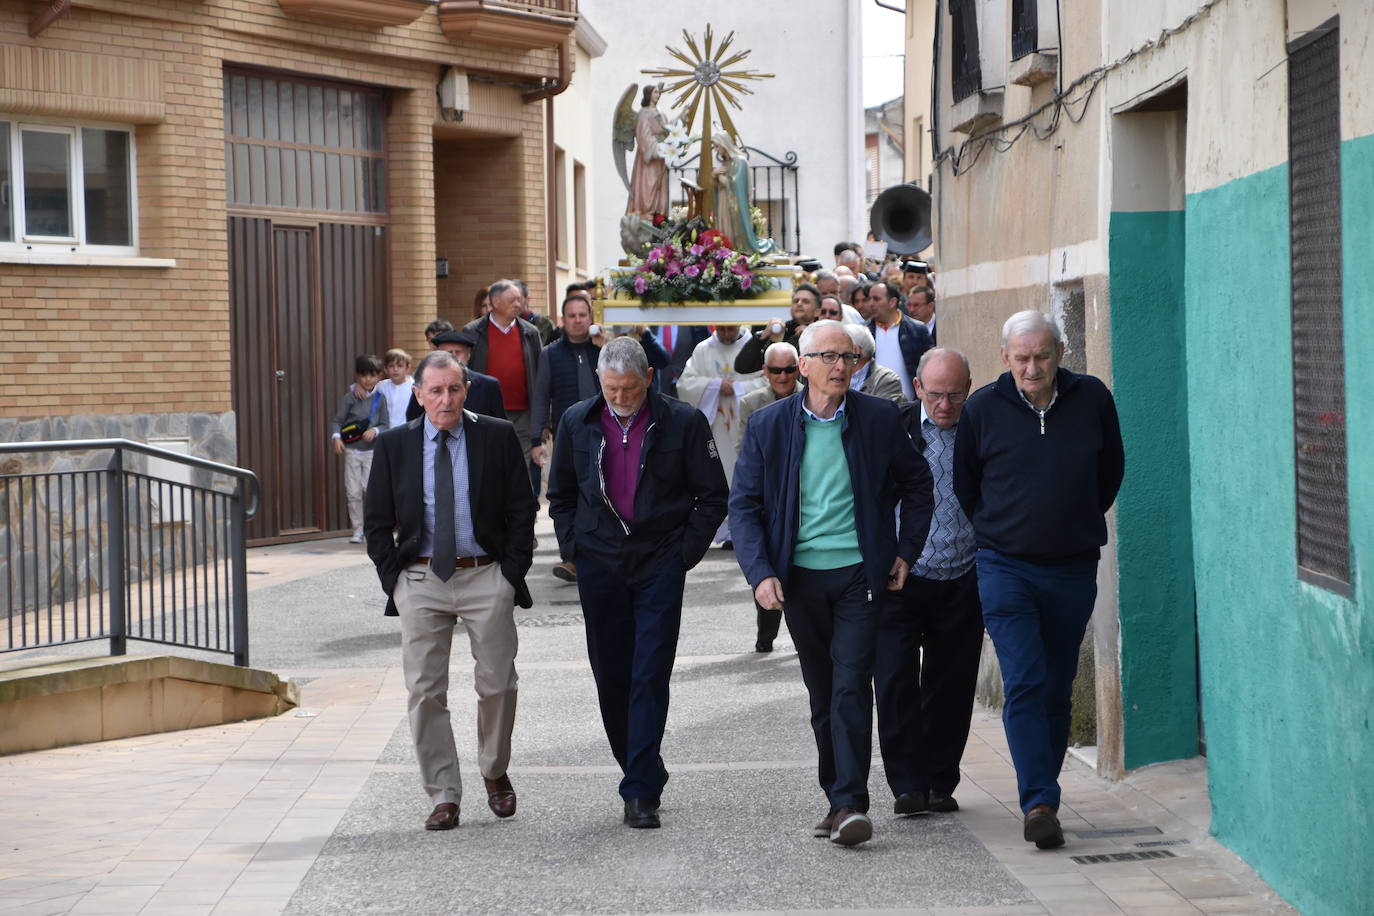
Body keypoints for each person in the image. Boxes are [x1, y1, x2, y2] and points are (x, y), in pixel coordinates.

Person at [729, 320, 933, 847]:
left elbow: (918, 485)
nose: (841, 366)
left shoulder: (879, 418)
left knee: (849, 687)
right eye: (829, 357)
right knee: (821, 692)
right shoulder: (769, 426)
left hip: (858, 578)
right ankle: (836, 797)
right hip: (799, 580)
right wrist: (760, 573)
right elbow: (745, 506)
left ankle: (849, 804)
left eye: (848, 357)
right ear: (803, 367)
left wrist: (906, 551)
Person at [954, 310, 1125, 851]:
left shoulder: (1092, 398)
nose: (1032, 367)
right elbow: (967, 486)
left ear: (1060, 353)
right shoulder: (983, 408)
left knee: (1054, 682)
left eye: (1042, 356)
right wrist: (1006, 531)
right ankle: (1039, 802)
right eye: (1022, 358)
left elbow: (1110, 473)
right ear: (1006, 358)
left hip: (1073, 566)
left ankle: (1043, 791)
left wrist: (1072, 522)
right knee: (1025, 680)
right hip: (1005, 566)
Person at [547, 336, 728, 829]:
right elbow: (560, 494)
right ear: (599, 384)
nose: (621, 399)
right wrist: (574, 550)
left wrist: (683, 556)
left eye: (630, 388)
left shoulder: (684, 422)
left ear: (649, 379)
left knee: (649, 671)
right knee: (611, 674)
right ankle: (641, 764)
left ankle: (640, 791)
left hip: (659, 562)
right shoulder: (576, 421)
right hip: (599, 562)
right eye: (611, 390)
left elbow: (713, 497)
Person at [363, 350, 536, 832]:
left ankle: (494, 770)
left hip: (485, 575)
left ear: (467, 390)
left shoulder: (496, 436)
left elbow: (522, 510)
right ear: (418, 394)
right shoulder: (395, 445)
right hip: (420, 579)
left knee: (499, 682)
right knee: (424, 691)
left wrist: (510, 575)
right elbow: (376, 522)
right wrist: (394, 582)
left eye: (454, 389)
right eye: (435, 390)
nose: (446, 399)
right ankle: (443, 793)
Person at [875, 347, 982, 818]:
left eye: (955, 395)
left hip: (963, 574)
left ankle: (940, 781)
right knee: (895, 680)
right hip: (902, 575)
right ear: (917, 388)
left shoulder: (980, 429)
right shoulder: (892, 428)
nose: (945, 405)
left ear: (968, 390)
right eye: (936, 394)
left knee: (952, 684)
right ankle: (907, 785)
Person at [530, 295, 600, 583]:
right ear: (563, 319)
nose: (578, 320)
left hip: (605, 434)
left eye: (583, 314)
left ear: (591, 318)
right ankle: (570, 556)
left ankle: (599, 552)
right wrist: (536, 438)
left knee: (599, 493)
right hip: (567, 438)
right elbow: (540, 395)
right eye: (572, 315)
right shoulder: (550, 354)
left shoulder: (603, 350)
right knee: (568, 495)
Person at [736, 341, 800, 654]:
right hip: (767, 495)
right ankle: (767, 632)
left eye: (789, 369)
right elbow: (742, 451)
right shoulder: (751, 403)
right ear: (765, 372)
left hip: (803, 496)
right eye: (776, 370)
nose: (783, 376)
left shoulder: (812, 398)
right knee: (767, 567)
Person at [676, 325, 765, 547]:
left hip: (743, 422)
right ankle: (724, 531)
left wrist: (737, 388)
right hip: (715, 425)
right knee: (720, 471)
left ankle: (747, 528)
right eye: (722, 329)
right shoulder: (703, 350)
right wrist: (715, 385)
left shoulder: (753, 347)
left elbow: (767, 381)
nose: (726, 333)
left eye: (730, 329)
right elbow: (685, 384)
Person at [461, 280, 543, 475]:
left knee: (520, 466)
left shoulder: (530, 332)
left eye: (519, 300)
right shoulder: (472, 332)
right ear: (496, 301)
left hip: (523, 412)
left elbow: (541, 376)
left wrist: (542, 419)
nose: (518, 304)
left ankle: (521, 505)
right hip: (485, 411)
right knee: (488, 463)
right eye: (512, 300)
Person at [332, 354, 388, 544]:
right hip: (352, 451)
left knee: (370, 490)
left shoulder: (381, 398)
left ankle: (373, 528)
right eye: (364, 375)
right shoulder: (350, 397)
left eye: (372, 375)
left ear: (379, 376)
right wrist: (336, 437)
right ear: (357, 376)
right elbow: (338, 421)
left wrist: (375, 430)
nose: (368, 379)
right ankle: (358, 529)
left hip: (372, 452)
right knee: (353, 491)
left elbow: (385, 424)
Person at [407, 330, 506, 421]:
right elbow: (413, 420)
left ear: (468, 355)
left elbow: (500, 424)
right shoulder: (424, 385)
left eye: (458, 352)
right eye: (448, 353)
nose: (453, 356)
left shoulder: (488, 385)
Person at [733, 283, 823, 374]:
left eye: (805, 301)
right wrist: (763, 336)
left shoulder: (824, 332)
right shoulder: (781, 331)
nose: (799, 304)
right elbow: (742, 367)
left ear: (817, 312)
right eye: (796, 301)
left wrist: (810, 334)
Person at [867, 280, 933, 402]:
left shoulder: (917, 330)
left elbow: (930, 367)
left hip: (911, 406)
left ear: (892, 302)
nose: (870, 303)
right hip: (874, 407)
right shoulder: (865, 332)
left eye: (876, 299)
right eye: (869, 299)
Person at [711, 132, 775, 255]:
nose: (716, 150)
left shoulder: (740, 161)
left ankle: (736, 251)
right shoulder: (725, 164)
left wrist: (719, 178)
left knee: (733, 230)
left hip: (735, 205)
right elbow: (717, 185)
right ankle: (727, 252)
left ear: (724, 144)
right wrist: (714, 176)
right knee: (724, 227)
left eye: (717, 146)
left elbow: (737, 184)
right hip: (724, 201)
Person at [628, 84, 670, 219]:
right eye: (656, 92)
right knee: (648, 183)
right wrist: (656, 148)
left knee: (659, 184)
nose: (658, 95)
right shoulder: (643, 113)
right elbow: (643, 136)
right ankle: (645, 210)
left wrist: (682, 116)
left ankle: (658, 213)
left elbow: (668, 130)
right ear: (649, 94)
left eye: (659, 92)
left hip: (660, 156)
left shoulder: (660, 112)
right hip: (649, 156)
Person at [845, 324, 906, 404]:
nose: (836, 350)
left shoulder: (887, 380)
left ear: (856, 350)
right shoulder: (837, 374)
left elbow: (884, 413)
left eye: (842, 345)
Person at [375, 349, 414, 431]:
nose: (395, 369)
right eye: (391, 366)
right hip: (386, 432)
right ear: (386, 369)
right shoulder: (381, 386)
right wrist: (358, 387)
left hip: (407, 431)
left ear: (407, 368)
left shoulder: (414, 386)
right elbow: (367, 394)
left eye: (400, 366)